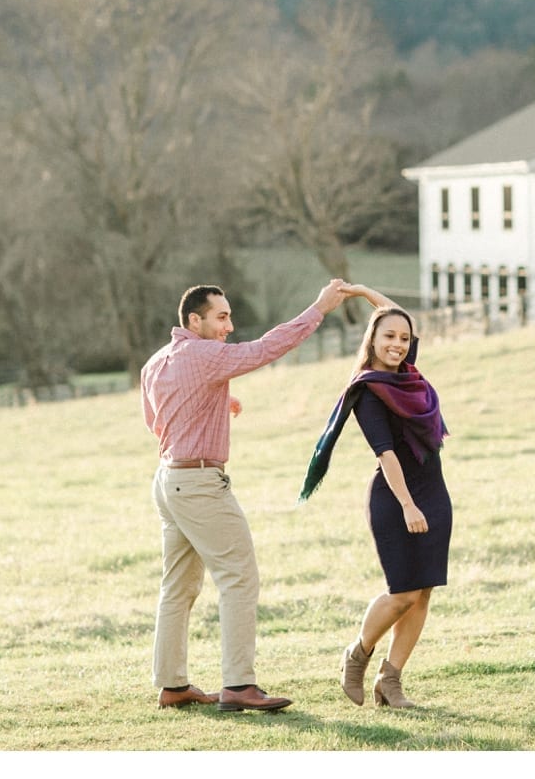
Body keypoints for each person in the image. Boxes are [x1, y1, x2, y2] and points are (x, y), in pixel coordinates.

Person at [143, 278, 350, 713]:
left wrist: (218, 400)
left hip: (168, 481)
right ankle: (238, 685)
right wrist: (318, 309)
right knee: (239, 578)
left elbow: (157, 420)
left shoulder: (158, 361)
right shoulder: (204, 355)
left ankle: (172, 685)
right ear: (193, 320)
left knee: (177, 589)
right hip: (199, 484)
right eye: (221, 317)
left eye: (230, 316)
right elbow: (264, 349)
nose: (229, 326)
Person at [299, 284, 452, 708]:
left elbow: (398, 317)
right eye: (388, 337)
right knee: (402, 591)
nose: (398, 345)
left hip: (433, 490)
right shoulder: (369, 389)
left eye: (404, 339)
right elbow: (385, 452)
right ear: (372, 340)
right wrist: (407, 504)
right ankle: (358, 653)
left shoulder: (408, 377)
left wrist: (366, 293)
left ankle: (391, 680)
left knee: (424, 592)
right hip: (394, 494)